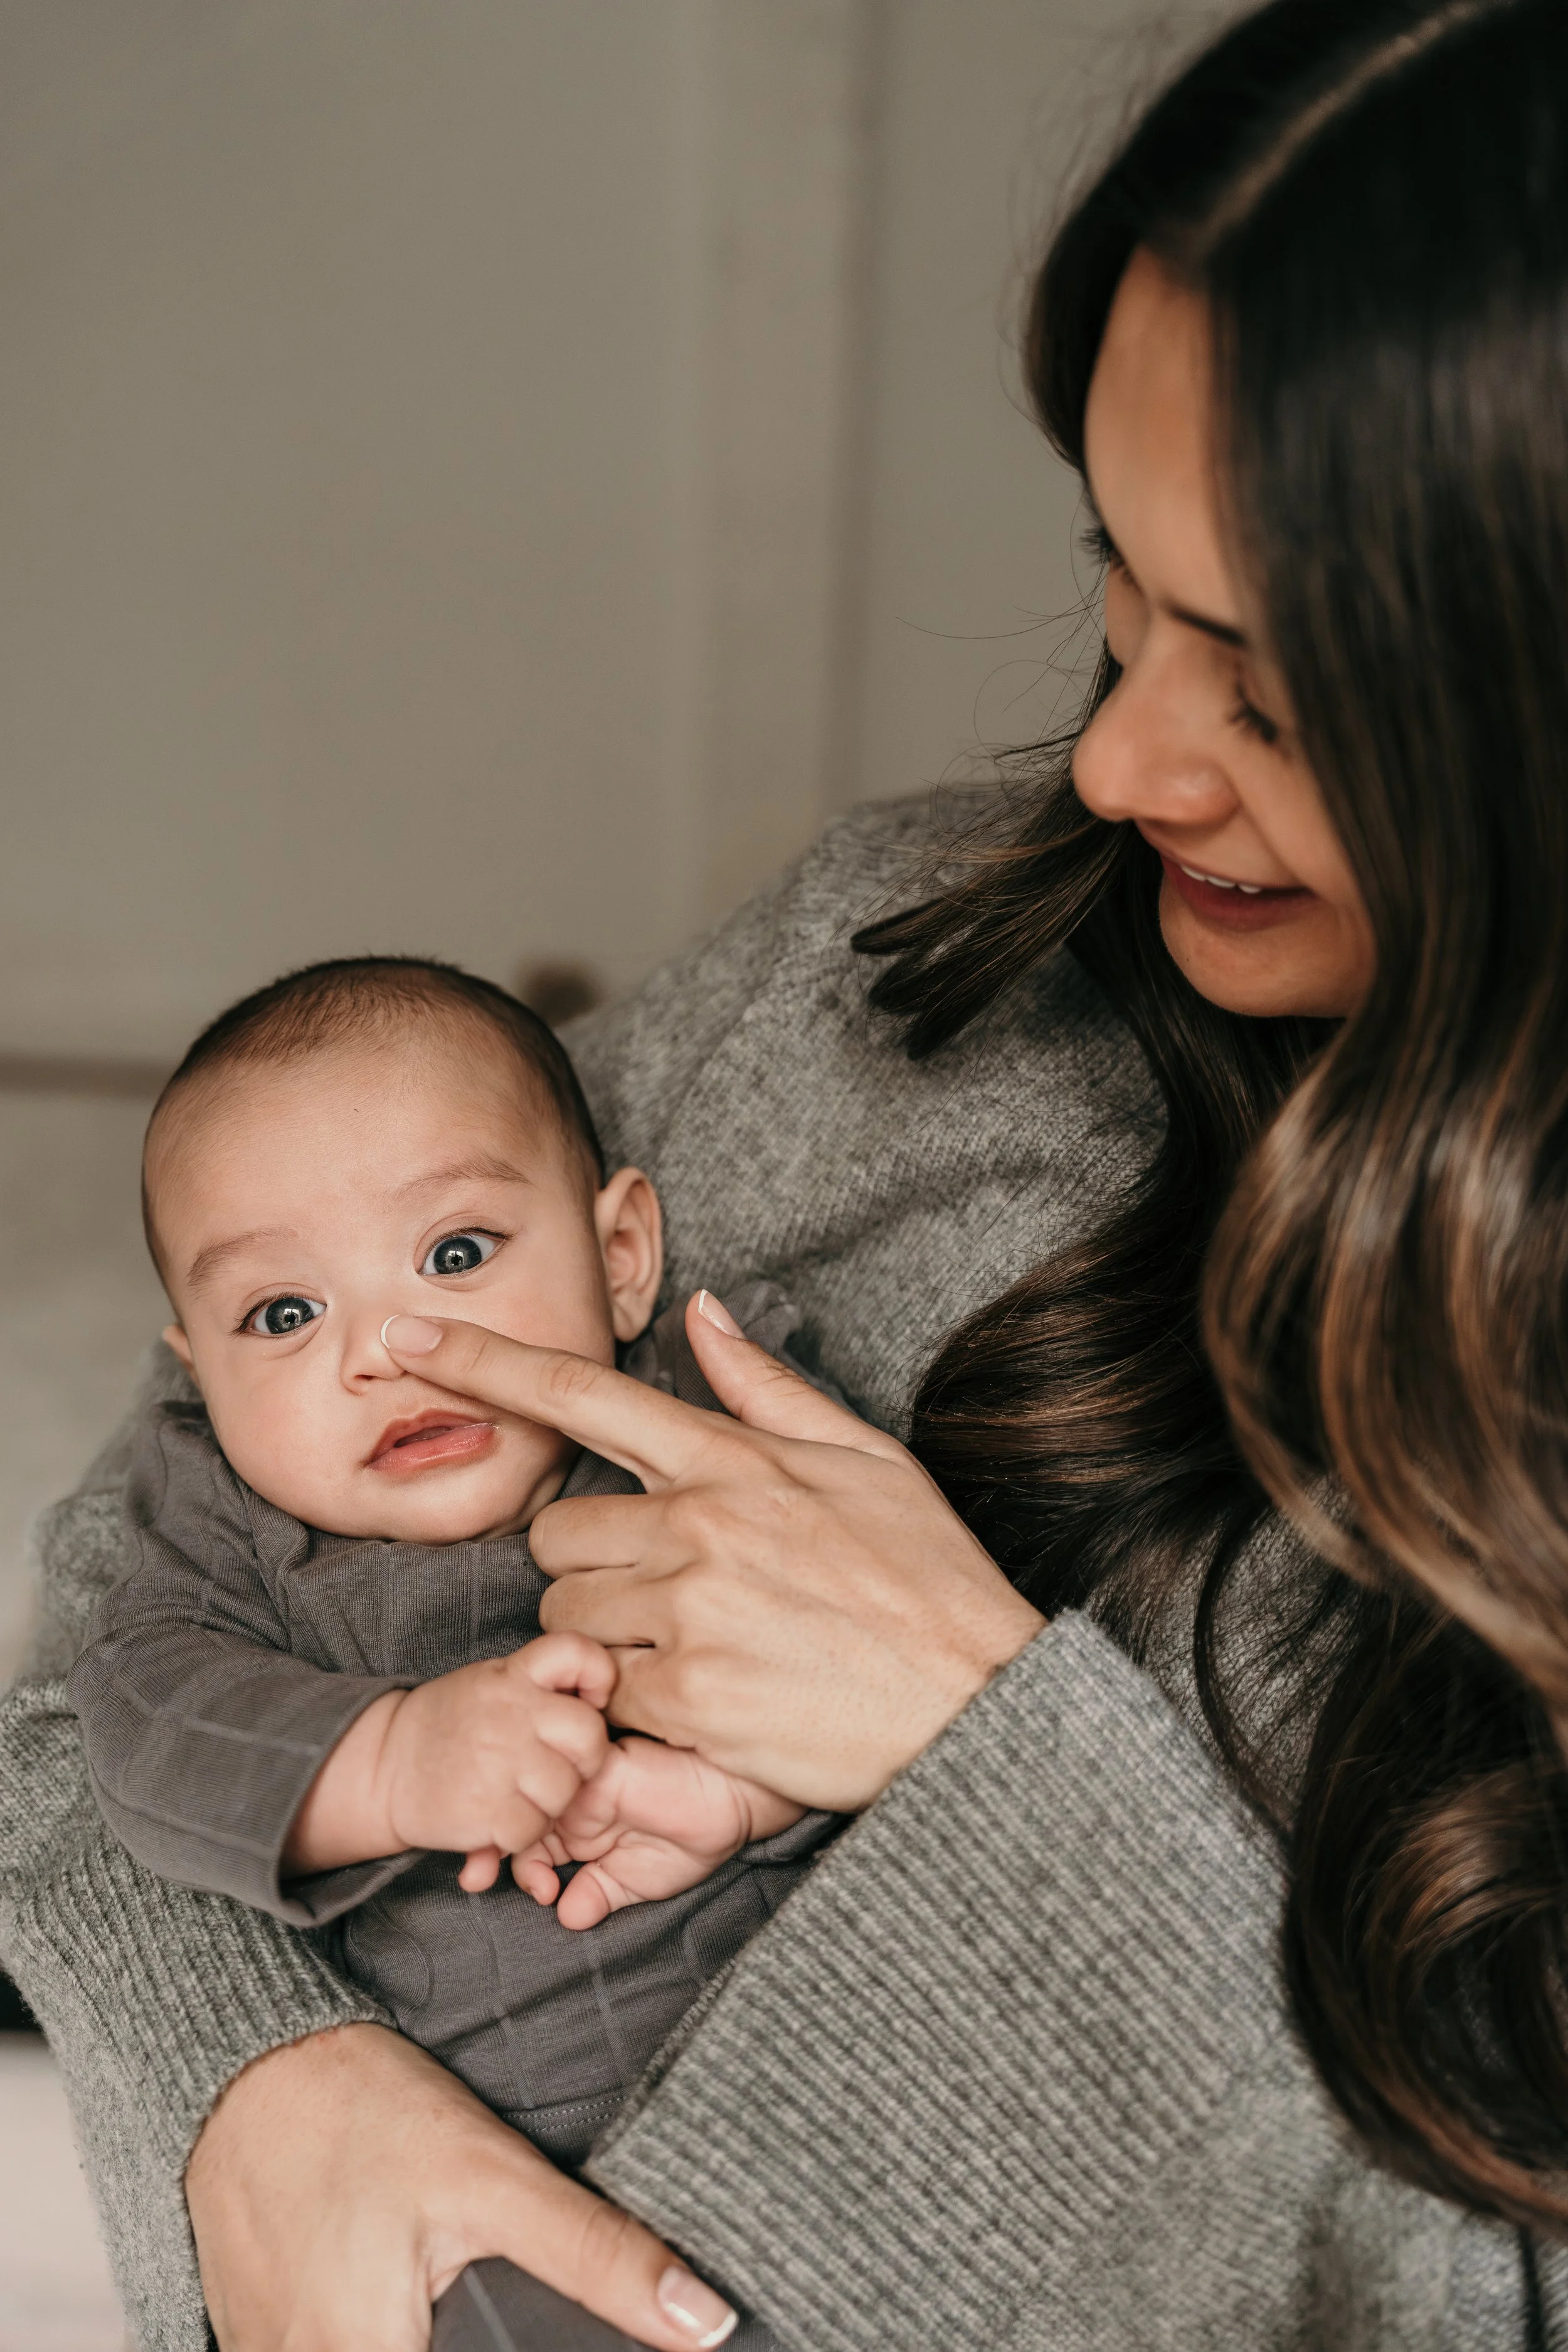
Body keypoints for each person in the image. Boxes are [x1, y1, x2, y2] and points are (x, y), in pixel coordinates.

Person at [5, 0, 1568, 2344]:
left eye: (1266, 684)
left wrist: (989, 1757)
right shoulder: (890, 975)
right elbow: (121, 1635)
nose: (1121, 763)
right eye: (1120, 595)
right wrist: (257, 2075)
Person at [66, 956, 832, 2290]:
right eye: (283, 1314)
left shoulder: (718, 1416)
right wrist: (389, 1760)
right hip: (478, 2190)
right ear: (196, 1375)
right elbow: (143, 1714)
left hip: (824, 2113)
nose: (388, 1345)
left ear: (618, 1257)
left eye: (456, 1254)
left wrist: (758, 1782)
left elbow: (896, 1665)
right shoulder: (231, 1529)